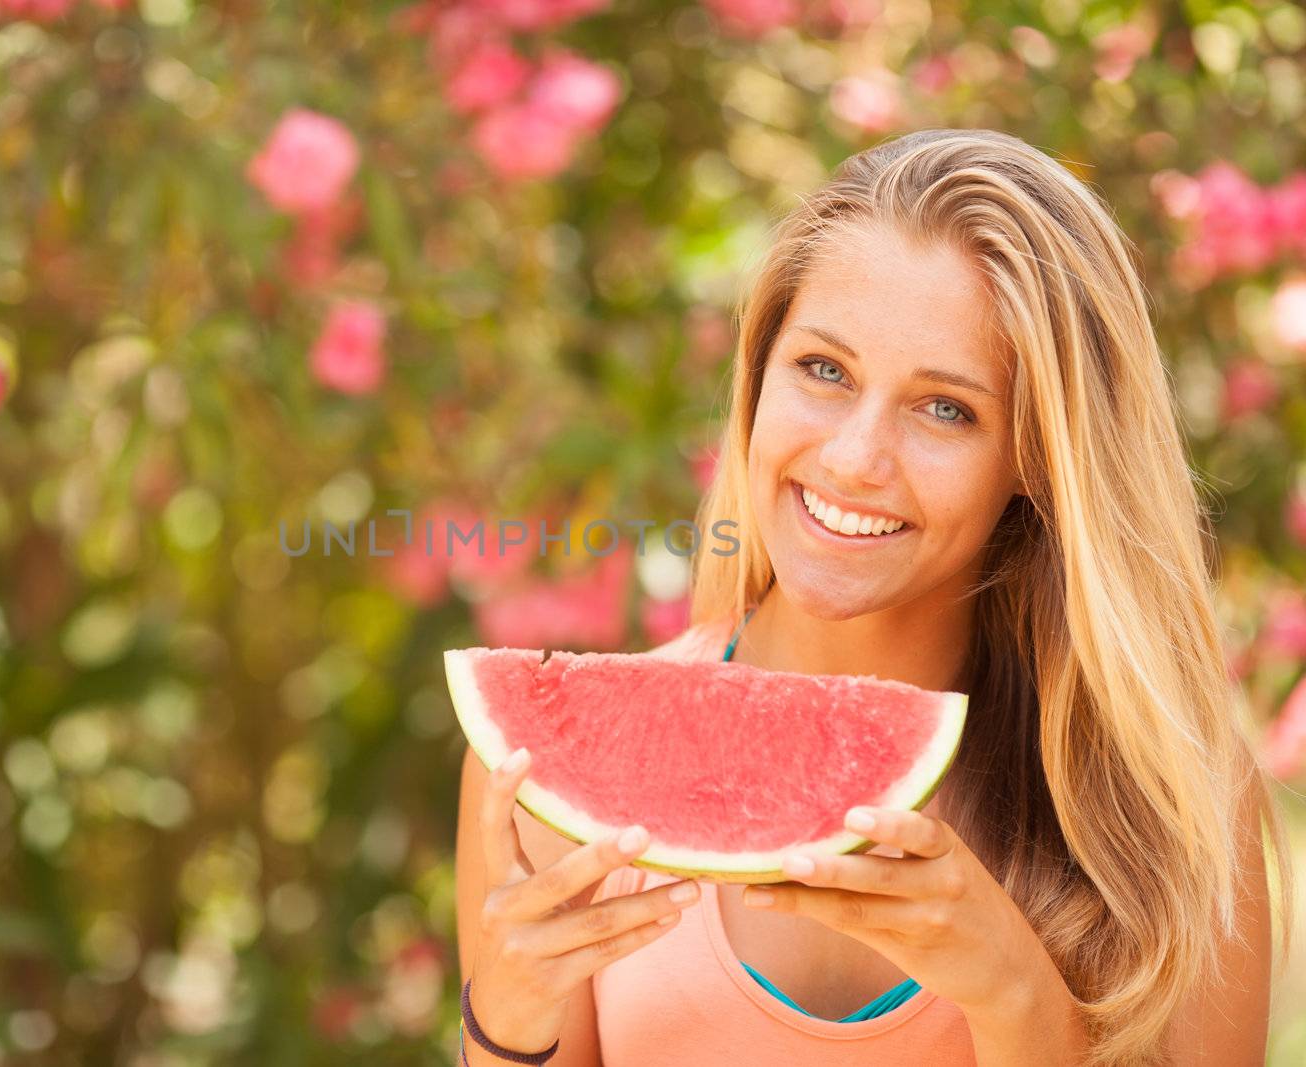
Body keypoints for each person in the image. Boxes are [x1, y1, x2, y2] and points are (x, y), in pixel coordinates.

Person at [453, 128, 1295, 1066]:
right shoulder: (541, 784)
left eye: (946, 408)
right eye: (824, 370)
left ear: (1037, 460)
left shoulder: (1172, 809)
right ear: (758, 378)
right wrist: (506, 1023)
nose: (855, 459)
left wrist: (1015, 994)